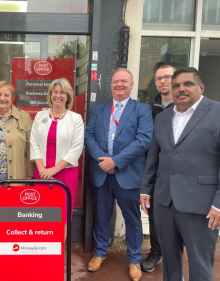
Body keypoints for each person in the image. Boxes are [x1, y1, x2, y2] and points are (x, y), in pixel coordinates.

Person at [140, 67, 220, 281]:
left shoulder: (217, 112)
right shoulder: (163, 118)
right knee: (170, 262)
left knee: (200, 264)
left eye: (188, 84)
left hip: (201, 206)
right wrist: (146, 189)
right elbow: (154, 158)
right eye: (176, 86)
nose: (181, 89)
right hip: (165, 202)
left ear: (201, 87)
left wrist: (219, 204)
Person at [84, 68, 153, 281]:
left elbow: (143, 140)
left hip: (128, 174)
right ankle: (100, 252)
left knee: (132, 219)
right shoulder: (99, 110)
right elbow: (89, 136)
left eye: (124, 81)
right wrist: (104, 161)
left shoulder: (142, 110)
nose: (119, 85)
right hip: (102, 173)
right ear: (111, 85)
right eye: (116, 82)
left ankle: (133, 259)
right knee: (102, 215)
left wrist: (116, 161)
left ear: (132, 84)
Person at [0, 81, 34, 261]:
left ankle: (9, 243)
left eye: (6, 95)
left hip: (14, 173)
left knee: (12, 211)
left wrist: (29, 174)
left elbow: (30, 148)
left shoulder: (23, 117)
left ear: (12, 98)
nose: (2, 98)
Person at [30, 78, 84, 225]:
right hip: (42, 173)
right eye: (55, 92)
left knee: (62, 214)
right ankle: (43, 246)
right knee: (41, 213)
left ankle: (60, 247)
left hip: (65, 172)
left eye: (62, 92)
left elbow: (76, 148)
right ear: (50, 94)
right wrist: (42, 169)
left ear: (68, 97)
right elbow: (34, 143)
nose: (58, 95)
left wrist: (53, 170)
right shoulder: (40, 116)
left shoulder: (76, 119)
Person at [141, 64, 176, 273]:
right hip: (153, 170)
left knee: (177, 214)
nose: (163, 82)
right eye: (159, 78)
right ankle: (156, 251)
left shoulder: (184, 108)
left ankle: (174, 253)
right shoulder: (148, 109)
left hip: (178, 170)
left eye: (167, 77)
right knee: (153, 213)